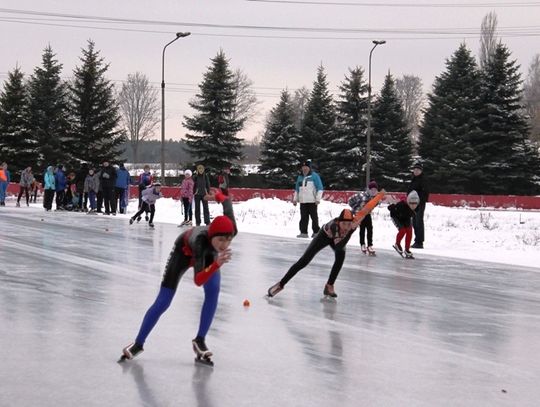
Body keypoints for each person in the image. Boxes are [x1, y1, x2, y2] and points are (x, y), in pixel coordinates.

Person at [120, 189, 237, 364]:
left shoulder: (230, 228)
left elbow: (227, 204)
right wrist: (217, 264)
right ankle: (138, 343)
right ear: (212, 236)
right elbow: (198, 280)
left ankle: (200, 340)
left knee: (213, 292)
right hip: (183, 253)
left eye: (228, 240)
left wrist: (218, 196)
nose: (224, 244)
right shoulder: (200, 243)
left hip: (207, 256)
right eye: (220, 240)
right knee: (163, 301)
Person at [267, 191, 384, 299]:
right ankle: (281, 284)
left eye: (349, 224)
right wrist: (351, 231)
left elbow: (368, 207)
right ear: (339, 221)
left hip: (338, 239)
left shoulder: (353, 222)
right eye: (344, 224)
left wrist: (379, 195)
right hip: (324, 236)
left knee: (340, 258)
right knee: (304, 261)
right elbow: (339, 245)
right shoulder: (335, 226)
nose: (346, 227)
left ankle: (329, 286)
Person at [293, 160, 323, 238]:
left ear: (309, 168)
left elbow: (320, 188)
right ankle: (303, 232)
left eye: (306, 167)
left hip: (312, 201)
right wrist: (295, 199)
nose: (304, 169)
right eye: (303, 167)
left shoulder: (314, 176)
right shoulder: (300, 177)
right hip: (303, 201)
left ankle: (316, 232)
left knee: (314, 217)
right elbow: (297, 189)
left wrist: (318, 199)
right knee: (303, 217)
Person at [349, 180, 379, 255]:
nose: (373, 191)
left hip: (367, 214)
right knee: (362, 229)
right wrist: (355, 209)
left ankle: (370, 245)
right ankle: (362, 244)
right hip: (360, 214)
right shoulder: (362, 195)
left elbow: (374, 205)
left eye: (375, 190)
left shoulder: (375, 198)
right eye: (372, 189)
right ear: (369, 189)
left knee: (370, 228)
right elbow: (350, 200)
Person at [388, 190, 420, 259]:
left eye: (415, 203)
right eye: (411, 203)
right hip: (396, 216)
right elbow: (391, 207)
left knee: (409, 232)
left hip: (406, 217)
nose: (413, 205)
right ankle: (397, 244)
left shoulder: (417, 207)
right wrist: (391, 207)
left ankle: (407, 249)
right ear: (408, 202)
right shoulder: (401, 205)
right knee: (402, 231)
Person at [407, 162, 429, 249]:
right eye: (414, 170)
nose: (416, 171)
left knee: (419, 221)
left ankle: (420, 241)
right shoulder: (414, 179)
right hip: (412, 204)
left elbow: (425, 192)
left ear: (421, 171)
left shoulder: (423, 180)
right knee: (414, 222)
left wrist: (417, 197)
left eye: (418, 170)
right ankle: (417, 240)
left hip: (420, 203)